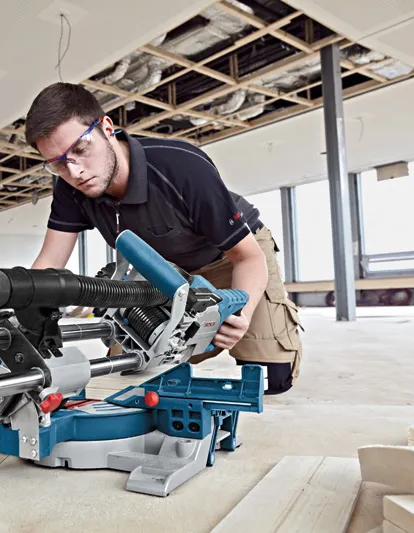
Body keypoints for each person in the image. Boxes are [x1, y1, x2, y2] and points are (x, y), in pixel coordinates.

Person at [25, 83, 302, 394]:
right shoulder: (70, 187)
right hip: (169, 274)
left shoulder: (182, 167)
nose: (74, 171)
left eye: (81, 148)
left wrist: (243, 314)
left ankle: (270, 305)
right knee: (127, 376)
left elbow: (248, 256)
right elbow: (50, 262)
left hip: (230, 256)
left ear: (106, 128)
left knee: (271, 380)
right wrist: (19, 319)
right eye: (58, 163)